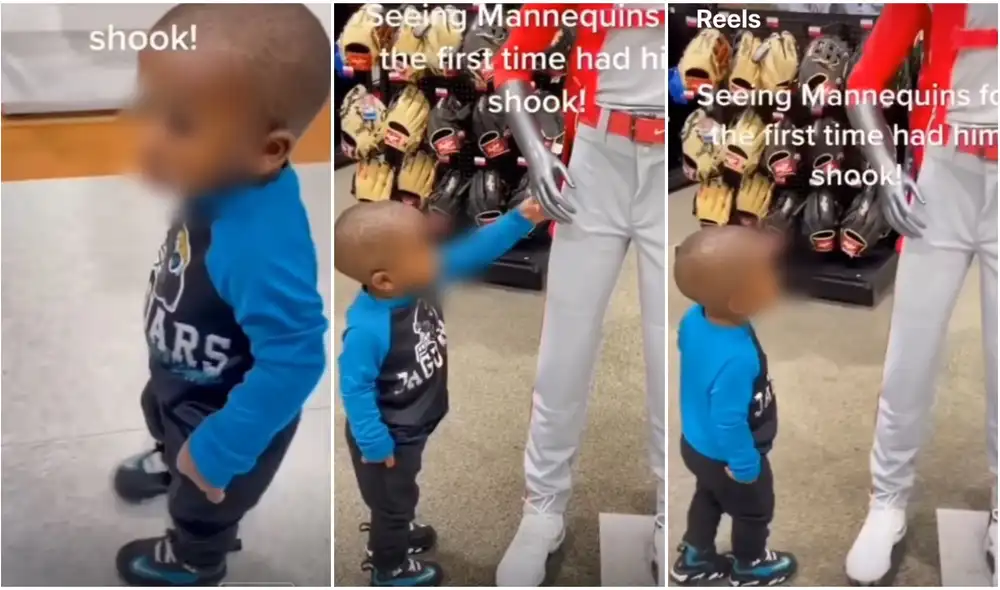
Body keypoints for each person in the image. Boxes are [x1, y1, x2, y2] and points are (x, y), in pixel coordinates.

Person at [110, 4, 330, 586]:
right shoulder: (214, 176)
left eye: (178, 124)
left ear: (267, 149)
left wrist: (223, 447)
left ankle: (195, 557)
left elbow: (298, 357)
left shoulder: (262, 244)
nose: (149, 139)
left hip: (226, 412)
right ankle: (169, 454)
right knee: (157, 409)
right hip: (184, 374)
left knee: (205, 503)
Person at [492, 4, 667, 585]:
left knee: (665, 352)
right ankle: (542, 509)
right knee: (564, 347)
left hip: (673, 163)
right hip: (596, 153)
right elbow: (512, 60)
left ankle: (674, 507)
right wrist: (538, 150)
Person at [843, 5, 997, 585]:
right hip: (944, 176)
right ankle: (887, 500)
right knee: (910, 355)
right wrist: (885, 169)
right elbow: (863, 81)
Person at [334, 199, 545, 587]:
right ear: (384, 280)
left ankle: (393, 522)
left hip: (414, 418)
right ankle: (388, 565)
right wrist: (375, 444)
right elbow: (354, 388)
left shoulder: (420, 275)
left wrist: (521, 219)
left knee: (397, 496)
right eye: (425, 250)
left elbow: (471, 251)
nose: (438, 255)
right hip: (388, 437)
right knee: (393, 500)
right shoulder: (368, 328)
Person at [667, 226, 797, 587]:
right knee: (754, 510)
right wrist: (745, 465)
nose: (777, 281)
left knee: (708, 496)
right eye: (768, 277)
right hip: (730, 455)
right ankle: (750, 564)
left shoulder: (695, 318)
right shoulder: (738, 358)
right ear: (740, 301)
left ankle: (696, 556)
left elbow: (687, 351)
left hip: (695, 443)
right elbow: (729, 421)